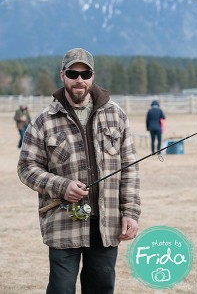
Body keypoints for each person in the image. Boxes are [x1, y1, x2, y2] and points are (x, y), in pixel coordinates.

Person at [17, 48, 141, 294]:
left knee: (102, 287)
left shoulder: (116, 115)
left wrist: (131, 212)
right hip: (63, 221)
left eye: (85, 74)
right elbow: (26, 168)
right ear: (62, 75)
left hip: (107, 224)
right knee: (61, 289)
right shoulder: (43, 121)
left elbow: (130, 168)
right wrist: (62, 186)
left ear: (92, 76)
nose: (79, 80)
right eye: (73, 73)